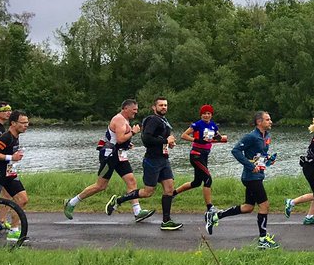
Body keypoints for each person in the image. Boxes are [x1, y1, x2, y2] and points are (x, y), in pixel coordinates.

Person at [106, 97, 181, 229]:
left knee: (169, 189)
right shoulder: (152, 120)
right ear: (154, 107)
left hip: (164, 159)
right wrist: (165, 140)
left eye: (165, 105)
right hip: (152, 160)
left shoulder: (164, 121)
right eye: (161, 105)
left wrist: (170, 143)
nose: (164, 107)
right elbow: (146, 139)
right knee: (148, 192)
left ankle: (166, 221)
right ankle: (118, 201)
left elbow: (161, 139)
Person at [207, 111, 278, 248]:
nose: (270, 121)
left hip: (258, 175)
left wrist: (268, 159)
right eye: (267, 119)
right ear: (259, 122)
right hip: (251, 177)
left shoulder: (266, 135)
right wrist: (250, 165)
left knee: (248, 207)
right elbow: (235, 151)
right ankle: (263, 240)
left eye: (270, 119)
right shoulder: (251, 136)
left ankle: (215, 216)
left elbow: (260, 154)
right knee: (264, 206)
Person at [65, 100, 144, 219]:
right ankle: (71, 203)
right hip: (110, 156)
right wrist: (133, 132)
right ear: (126, 108)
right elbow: (120, 139)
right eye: (134, 110)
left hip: (120, 155)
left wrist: (128, 144)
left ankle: (137, 211)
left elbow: (116, 139)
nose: (136, 112)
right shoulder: (119, 119)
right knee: (100, 186)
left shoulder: (125, 120)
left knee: (131, 181)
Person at [174, 105, 228, 214]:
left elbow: (217, 138)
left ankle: (172, 194)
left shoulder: (213, 126)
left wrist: (222, 139)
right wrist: (196, 140)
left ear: (211, 115)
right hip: (196, 155)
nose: (206, 115)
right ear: (201, 114)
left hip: (204, 155)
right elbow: (183, 135)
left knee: (196, 182)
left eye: (209, 113)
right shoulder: (197, 124)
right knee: (208, 179)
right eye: (204, 113)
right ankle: (210, 208)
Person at [0, 110, 30, 241]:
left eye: (27, 122)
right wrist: (11, 157)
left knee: (22, 199)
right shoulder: (6, 137)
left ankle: (14, 231)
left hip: (9, 173)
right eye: (23, 123)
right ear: (14, 123)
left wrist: (14, 158)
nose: (26, 125)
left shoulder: (16, 136)